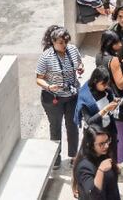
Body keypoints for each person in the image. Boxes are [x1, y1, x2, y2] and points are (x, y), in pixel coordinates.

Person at [36, 26, 85, 167]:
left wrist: (80, 67)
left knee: (73, 125)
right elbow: (38, 78)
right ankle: (56, 158)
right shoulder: (46, 57)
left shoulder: (73, 50)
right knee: (55, 126)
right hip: (53, 97)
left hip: (72, 95)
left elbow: (79, 62)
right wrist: (48, 86)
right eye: (60, 43)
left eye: (65, 42)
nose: (64, 45)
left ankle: (74, 156)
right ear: (53, 42)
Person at [96, 29, 123, 170]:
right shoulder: (113, 60)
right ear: (110, 44)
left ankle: (111, 160)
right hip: (120, 99)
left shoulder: (99, 56)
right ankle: (122, 163)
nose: (120, 44)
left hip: (106, 99)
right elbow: (120, 83)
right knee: (122, 133)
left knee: (110, 133)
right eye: (117, 43)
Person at [75, 67, 121, 159]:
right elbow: (89, 121)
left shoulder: (106, 90)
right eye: (103, 84)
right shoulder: (86, 98)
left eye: (107, 84)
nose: (106, 87)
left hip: (108, 129)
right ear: (95, 81)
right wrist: (105, 110)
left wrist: (114, 102)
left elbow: (110, 99)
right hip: (95, 134)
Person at [74, 125, 121, 200]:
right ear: (90, 145)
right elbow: (93, 195)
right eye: (101, 144)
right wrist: (101, 171)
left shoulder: (103, 154)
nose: (106, 146)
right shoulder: (84, 166)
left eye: (107, 141)